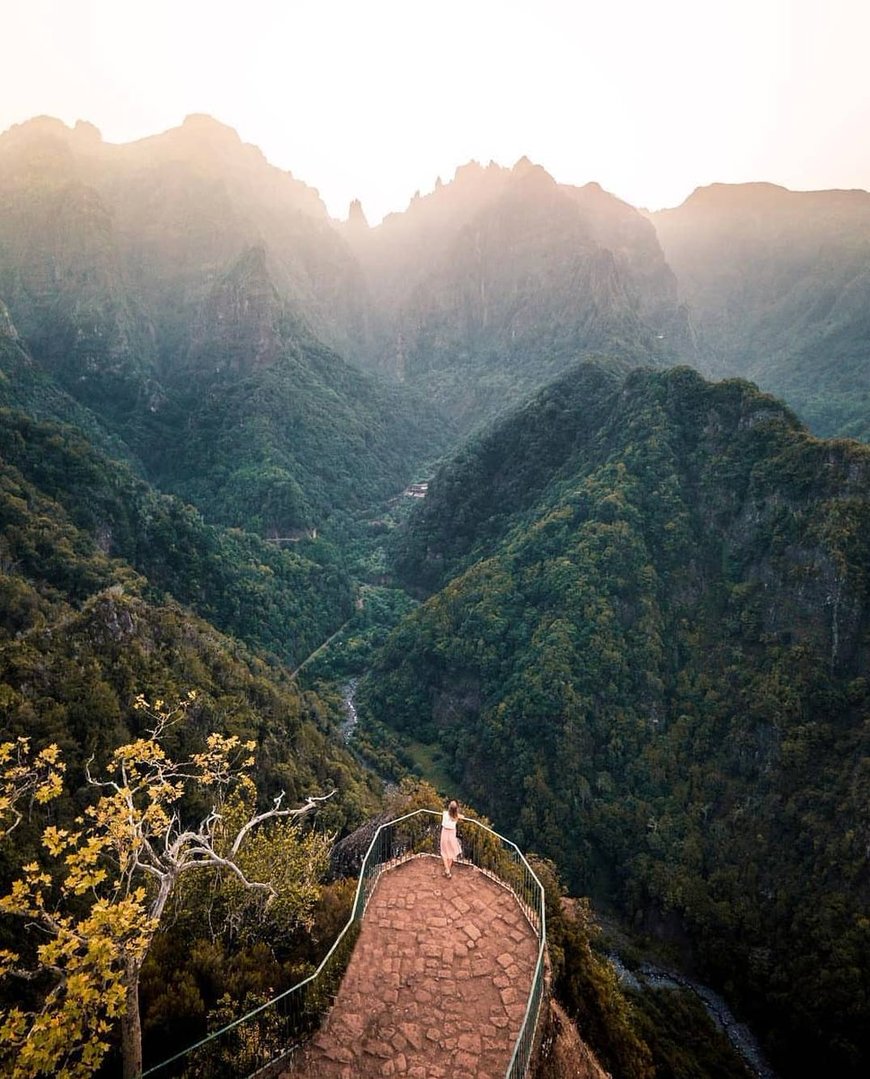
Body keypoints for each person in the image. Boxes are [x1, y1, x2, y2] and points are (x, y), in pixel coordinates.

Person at [440, 799, 463, 877]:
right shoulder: (456, 816)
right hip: (452, 834)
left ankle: (447, 870)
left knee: (444, 852)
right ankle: (447, 870)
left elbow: (447, 814)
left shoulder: (445, 814)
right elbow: (462, 817)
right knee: (451, 852)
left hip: (445, 833)